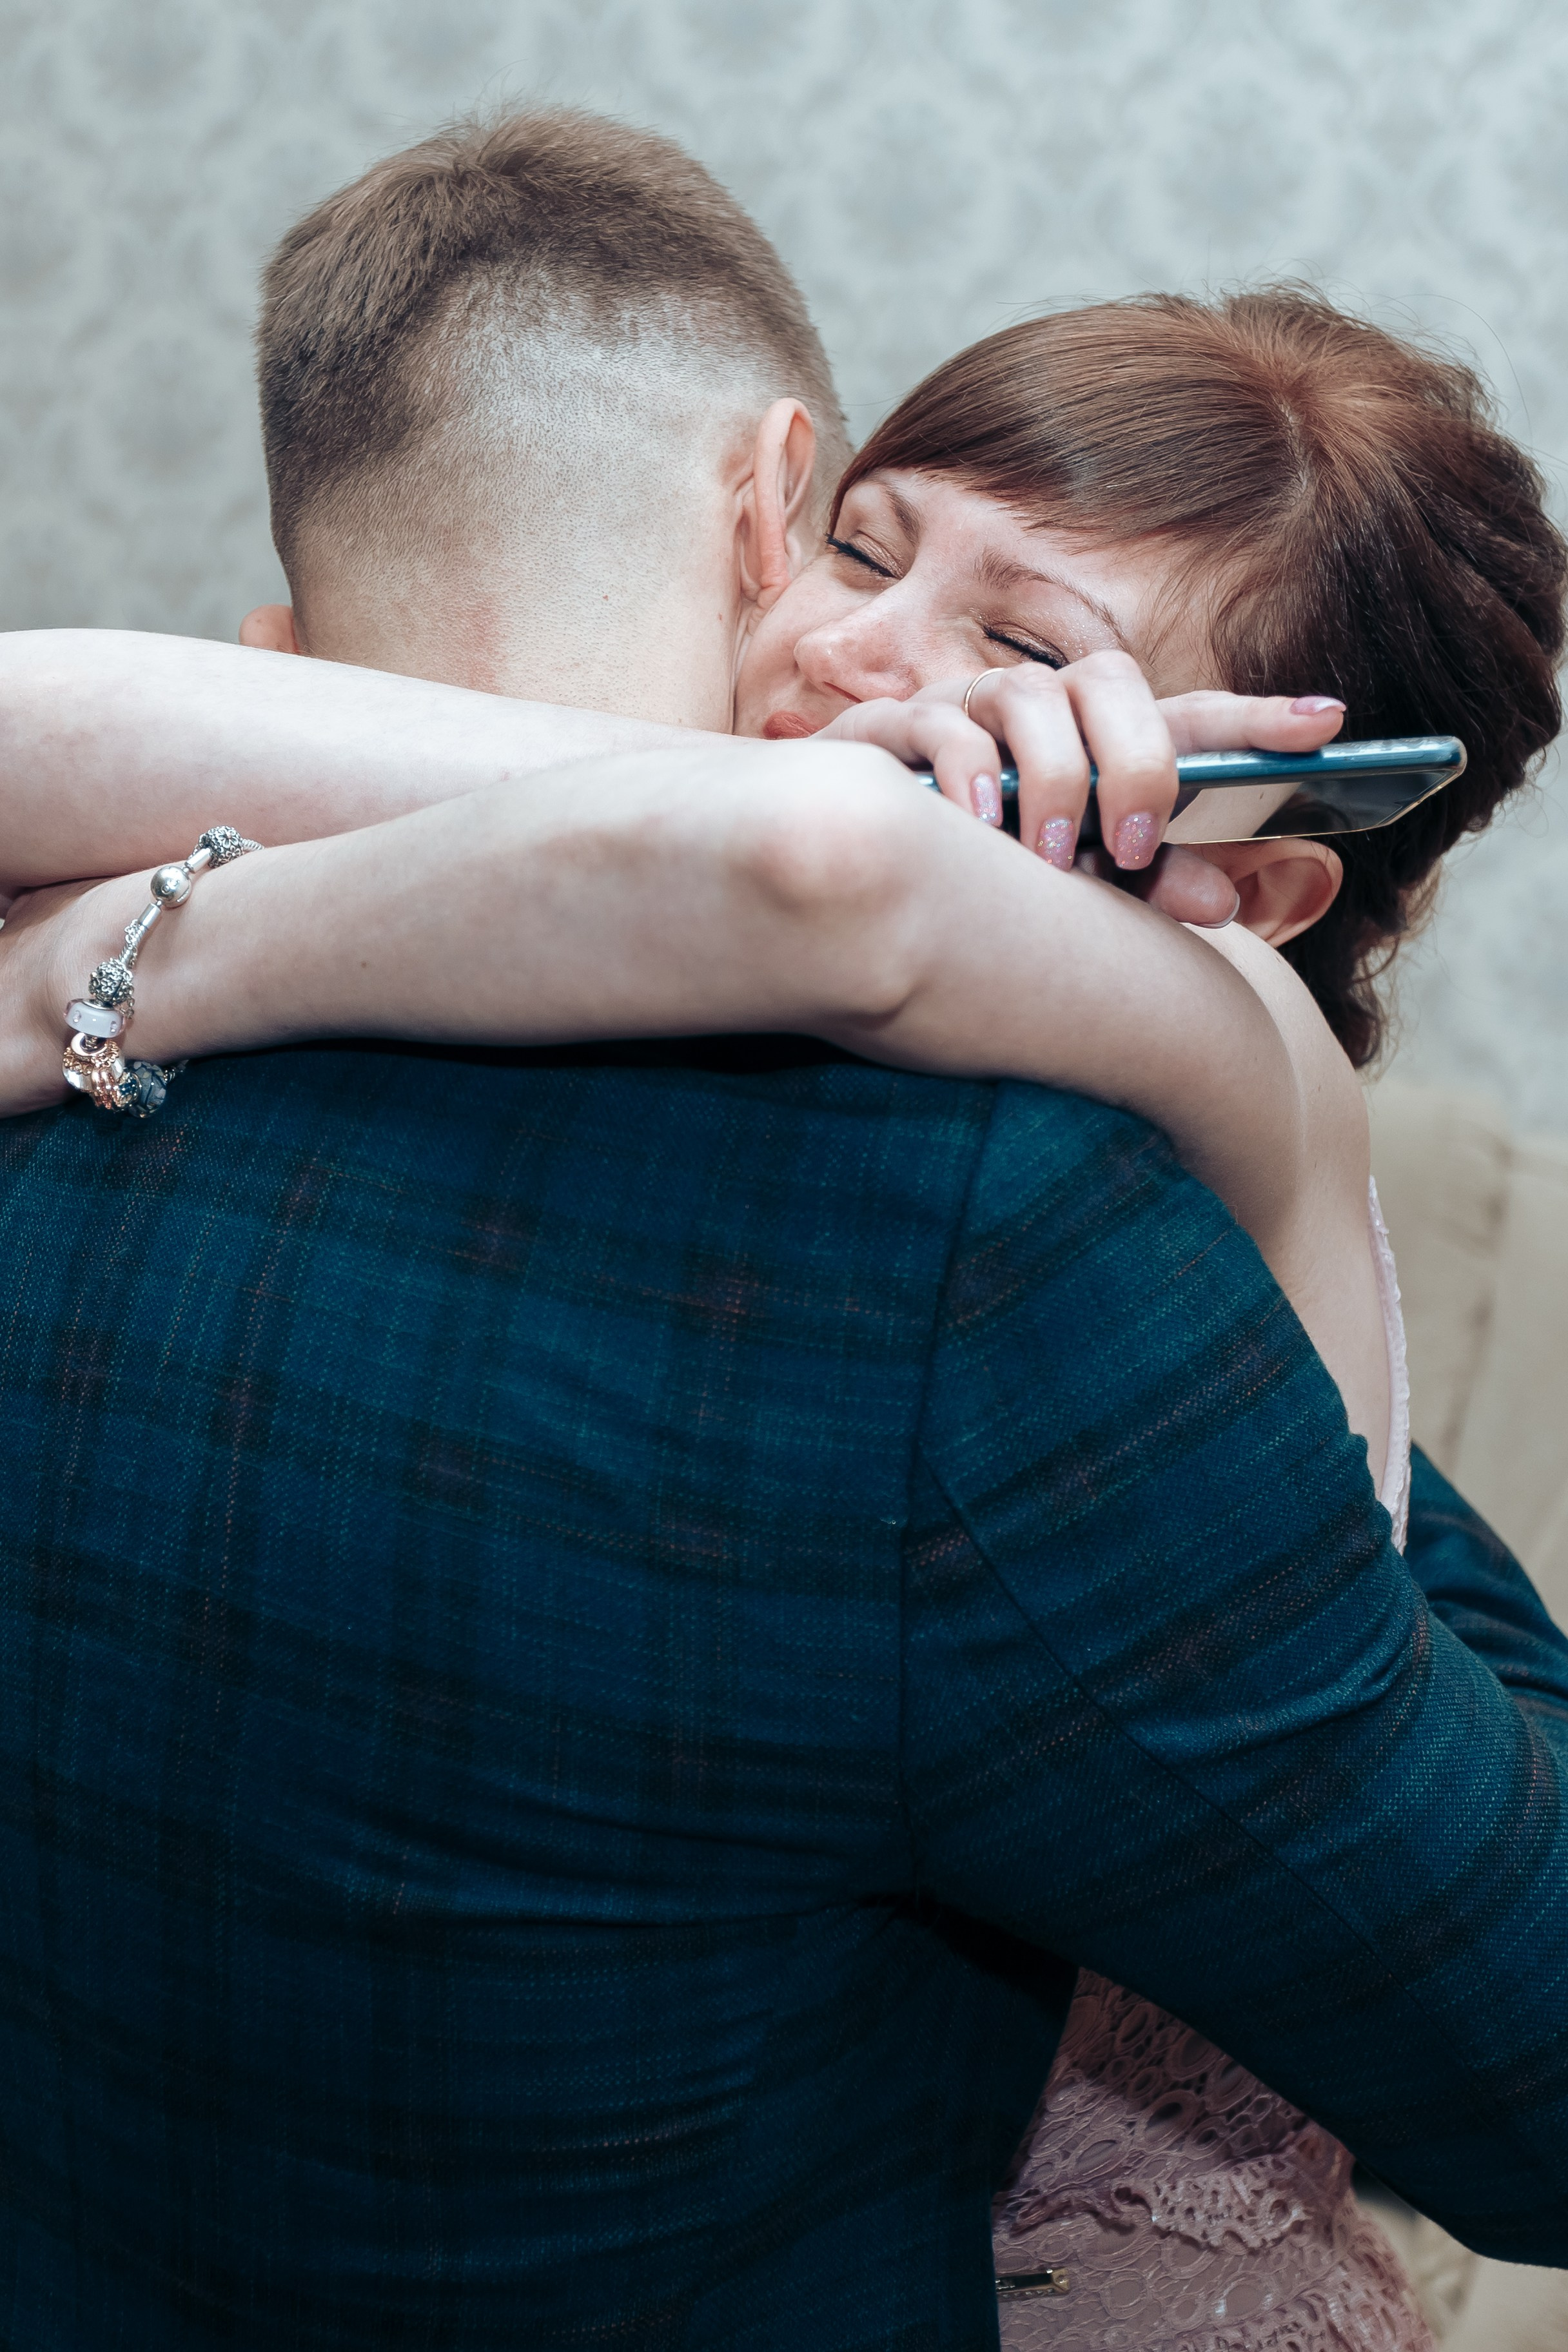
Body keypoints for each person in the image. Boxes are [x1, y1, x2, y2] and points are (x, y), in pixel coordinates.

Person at [1, 117, 1567, 2350]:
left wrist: (116, 964)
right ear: (773, 501)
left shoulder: (1051, 1253)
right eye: (861, 547)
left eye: (1028, 651)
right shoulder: (990, 1244)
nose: (847, 658)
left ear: (1255, 871)